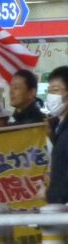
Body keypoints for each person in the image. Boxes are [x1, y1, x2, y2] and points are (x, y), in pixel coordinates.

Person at [47, 66, 68, 204]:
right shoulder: (58, 127)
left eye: (55, 90)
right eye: (48, 91)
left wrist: (49, 193)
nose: (50, 96)